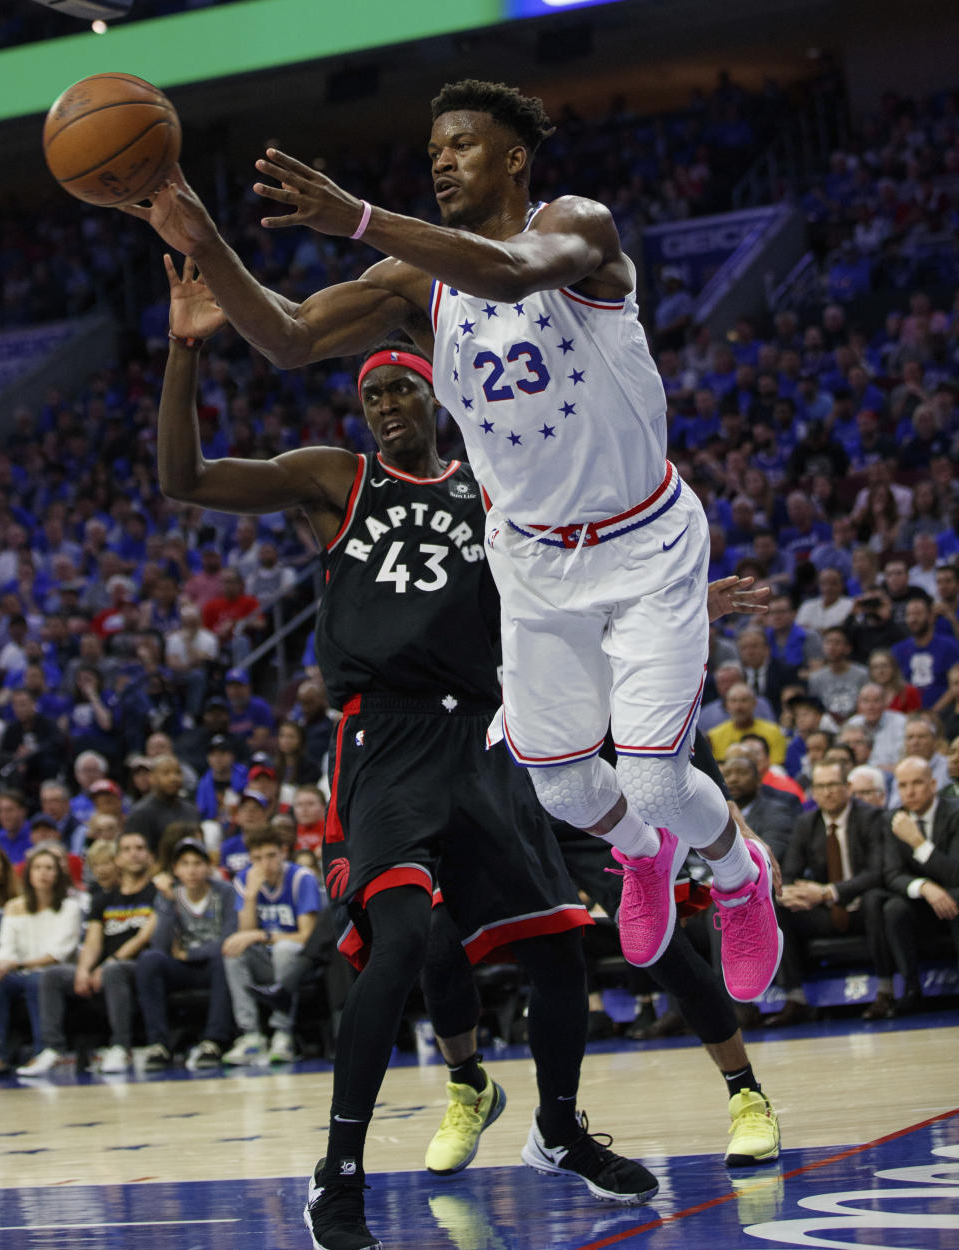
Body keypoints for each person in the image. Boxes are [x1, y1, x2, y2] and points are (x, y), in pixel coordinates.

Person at [127, 84, 781, 1027]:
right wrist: (206, 243)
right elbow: (289, 335)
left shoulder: (579, 228)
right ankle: (643, 853)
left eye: (462, 144)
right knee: (560, 782)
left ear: (514, 158)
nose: (440, 160)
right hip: (529, 559)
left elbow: (512, 274)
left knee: (648, 770)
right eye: (433, 147)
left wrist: (355, 216)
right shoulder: (409, 284)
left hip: (643, 542)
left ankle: (736, 870)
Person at [150, 291, 726, 1245]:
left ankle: (555, 1128)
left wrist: (686, 594)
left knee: (556, 947)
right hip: (386, 741)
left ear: (438, 399)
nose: (383, 401)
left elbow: (585, 563)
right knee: (406, 938)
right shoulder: (336, 480)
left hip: (487, 739)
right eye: (369, 389)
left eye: (400, 387)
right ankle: (339, 1173)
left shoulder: (495, 491)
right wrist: (182, 354)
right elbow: (185, 478)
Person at [17, 831, 157, 1076]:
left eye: (139, 848)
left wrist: (107, 964)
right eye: (126, 849)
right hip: (104, 969)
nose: (133, 853)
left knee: (114, 971)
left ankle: (120, 1047)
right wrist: (83, 970)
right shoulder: (103, 898)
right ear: (117, 859)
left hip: (140, 968)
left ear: (149, 856)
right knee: (53, 975)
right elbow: (92, 941)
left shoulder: (156, 892)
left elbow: (142, 937)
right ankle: (53, 1049)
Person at [770, 762, 894, 1024]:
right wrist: (791, 893)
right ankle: (795, 997)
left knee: (875, 901)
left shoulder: (872, 817)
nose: (827, 792)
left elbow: (877, 873)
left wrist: (827, 892)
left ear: (847, 788)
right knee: (778, 907)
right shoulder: (806, 823)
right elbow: (789, 872)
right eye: (821, 787)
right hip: (826, 913)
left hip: (863, 906)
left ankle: (886, 990)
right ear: (813, 792)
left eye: (833, 785)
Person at [135, 837, 236, 1070]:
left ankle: (213, 1041)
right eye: (185, 864)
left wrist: (190, 953)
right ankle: (158, 1045)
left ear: (208, 867)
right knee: (150, 960)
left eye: (197, 863)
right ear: (175, 869)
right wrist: (169, 903)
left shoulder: (225, 892)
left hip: (212, 964)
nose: (192, 870)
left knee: (226, 957)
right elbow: (159, 945)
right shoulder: (168, 896)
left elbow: (229, 938)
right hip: (181, 967)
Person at [222, 826, 320, 1065]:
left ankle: (282, 1034)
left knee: (284, 949)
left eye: (270, 856)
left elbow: (306, 936)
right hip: (266, 960)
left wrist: (262, 936)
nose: (264, 864)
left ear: (283, 852)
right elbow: (245, 934)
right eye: (257, 858)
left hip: (300, 962)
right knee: (234, 950)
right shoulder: (245, 880)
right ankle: (251, 1035)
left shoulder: (301, 878)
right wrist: (251, 896)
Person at [882, 757, 959, 1013]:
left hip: (954, 898)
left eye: (917, 783)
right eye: (903, 785)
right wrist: (925, 887)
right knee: (893, 908)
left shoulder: (955, 813)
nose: (910, 791)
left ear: (933, 784)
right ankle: (912, 989)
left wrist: (918, 843)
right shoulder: (893, 819)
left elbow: (955, 875)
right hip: (922, 902)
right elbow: (892, 875)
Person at [0, 846, 82, 1073]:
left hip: (58, 972)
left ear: (58, 874)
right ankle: (0, 1056)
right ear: (28, 873)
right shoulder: (14, 907)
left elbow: (58, 954)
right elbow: (7, 950)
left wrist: (16, 964)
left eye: (49, 868)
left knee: (41, 979)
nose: (43, 873)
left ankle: (42, 1052)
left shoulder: (70, 907)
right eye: (37, 868)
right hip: (20, 972)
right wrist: (6, 965)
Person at [891, 596, 959, 712]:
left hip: (945, 712)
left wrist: (932, 713)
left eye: (918, 614)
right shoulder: (897, 650)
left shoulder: (949, 646)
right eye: (909, 615)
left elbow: (955, 685)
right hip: (909, 714)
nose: (913, 619)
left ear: (931, 617)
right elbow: (895, 686)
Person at [126, 754, 200, 854]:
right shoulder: (140, 812)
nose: (173, 778)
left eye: (178, 773)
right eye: (166, 773)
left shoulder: (191, 809)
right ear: (151, 778)